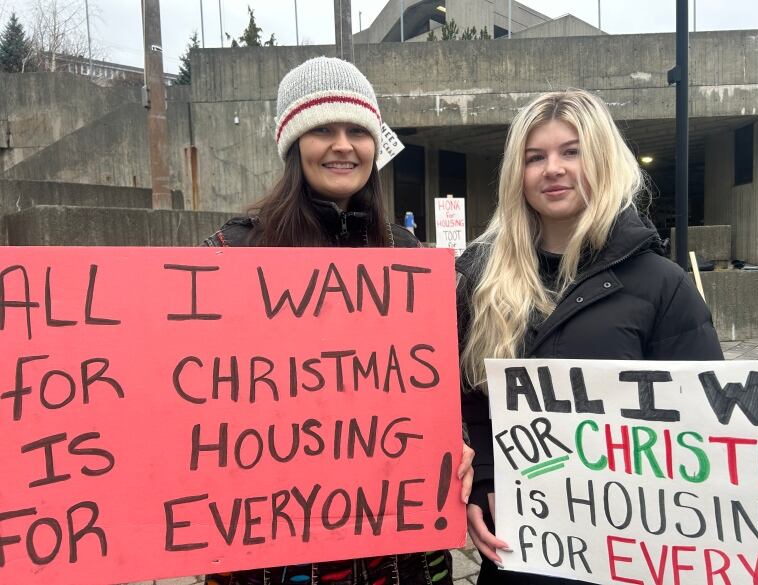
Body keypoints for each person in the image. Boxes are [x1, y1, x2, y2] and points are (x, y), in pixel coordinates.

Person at [202, 56, 474, 585]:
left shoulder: (406, 253)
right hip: (276, 547)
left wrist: (454, 434)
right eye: (322, 129)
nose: (343, 145)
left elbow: (437, 378)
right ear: (293, 143)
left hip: (399, 548)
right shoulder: (230, 253)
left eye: (357, 130)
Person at [455, 89, 723, 585]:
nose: (552, 168)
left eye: (571, 151)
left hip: (629, 556)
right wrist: (484, 481)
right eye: (535, 157)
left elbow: (706, 431)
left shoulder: (663, 285)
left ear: (602, 159)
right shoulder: (481, 278)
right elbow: (467, 396)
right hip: (519, 549)